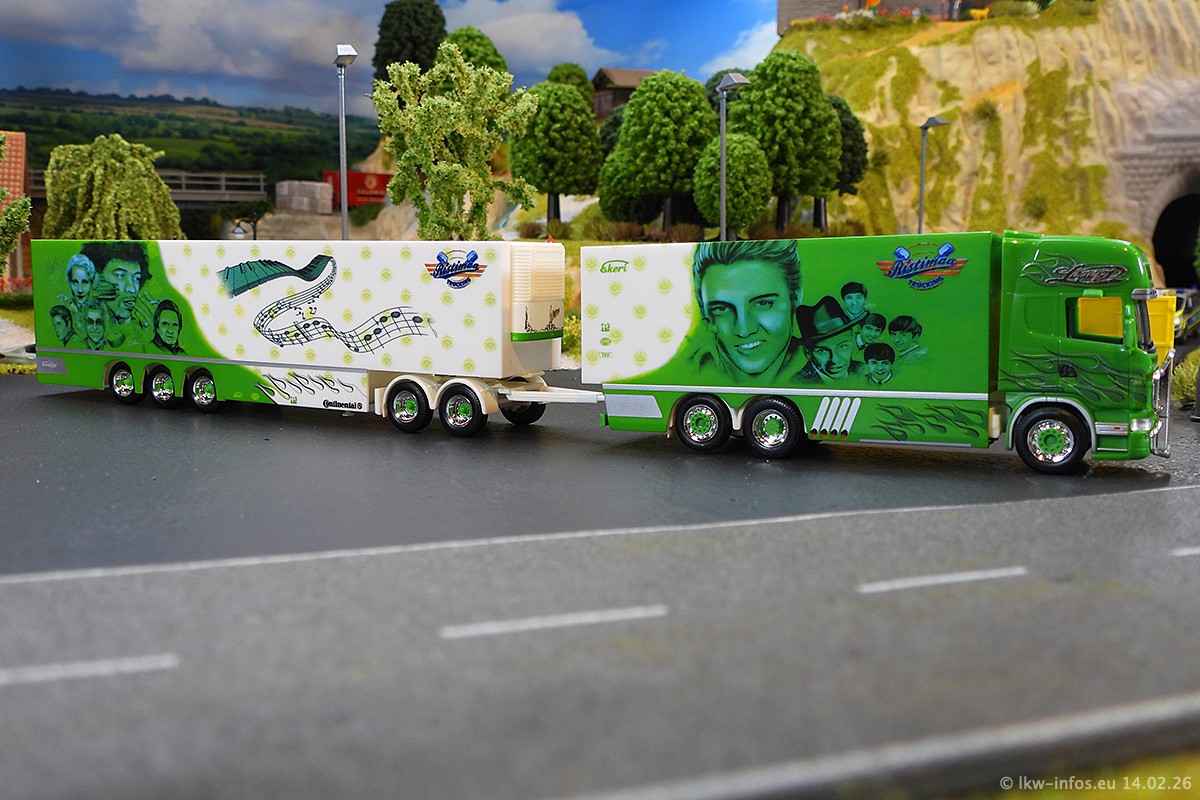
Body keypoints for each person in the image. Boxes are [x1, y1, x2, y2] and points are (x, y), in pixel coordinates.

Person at [687, 239, 805, 384]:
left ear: (795, 298)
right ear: (706, 317)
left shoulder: (821, 370)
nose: (744, 331)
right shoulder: (691, 370)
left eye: (762, 303)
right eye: (721, 309)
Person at [80, 241, 153, 350]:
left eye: (137, 278)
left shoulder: (140, 329)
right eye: (120, 275)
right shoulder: (80, 323)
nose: (132, 289)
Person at [793, 295, 867, 384]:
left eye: (843, 347)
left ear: (853, 342)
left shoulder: (862, 371)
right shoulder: (798, 383)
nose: (835, 360)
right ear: (808, 353)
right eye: (822, 351)